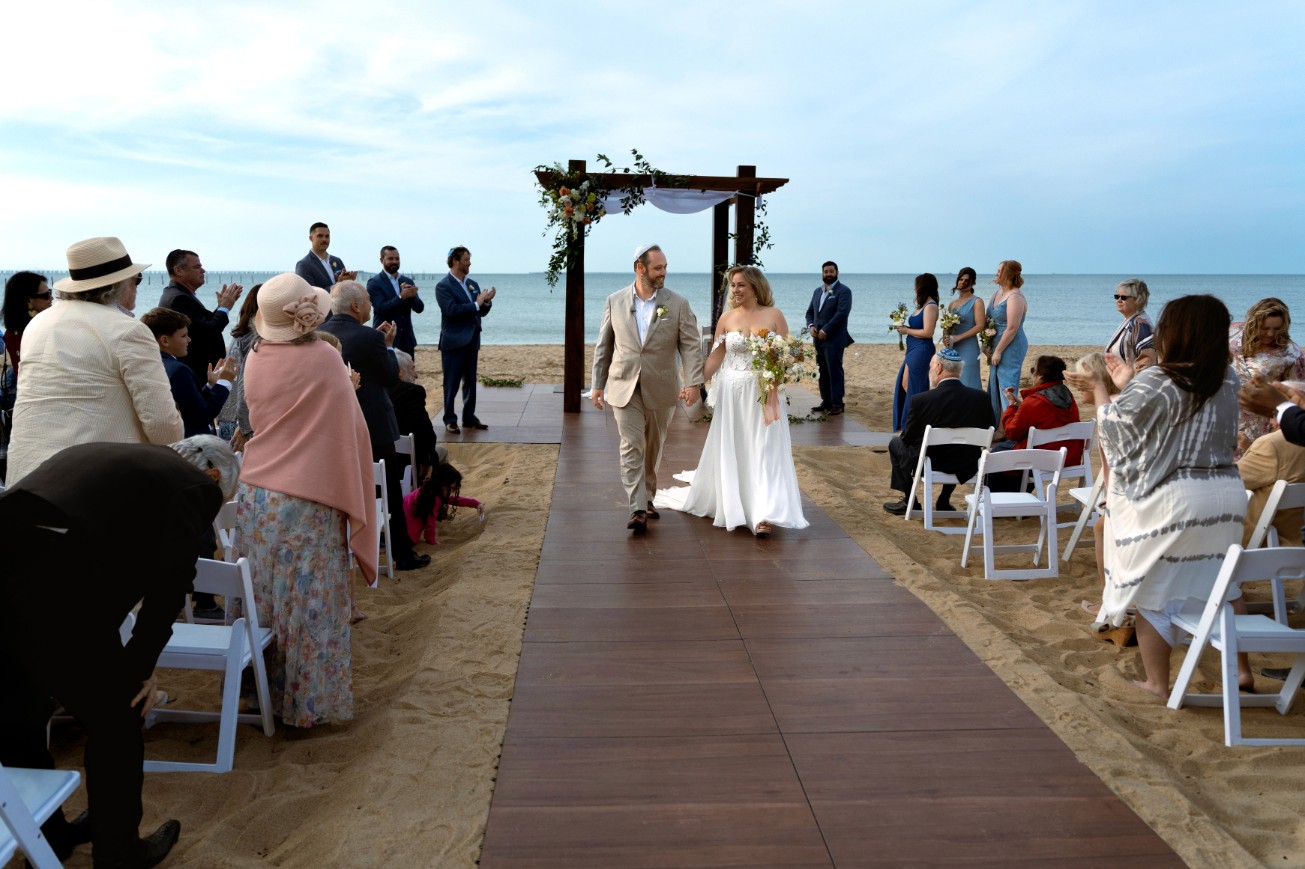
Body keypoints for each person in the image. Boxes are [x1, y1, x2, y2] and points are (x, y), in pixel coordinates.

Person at [0, 439, 233, 867]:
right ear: (214, 476)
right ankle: (119, 849)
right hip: (54, 587)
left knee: (19, 717)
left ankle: (48, 836)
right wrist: (139, 670)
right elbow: (169, 588)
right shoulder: (193, 488)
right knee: (117, 718)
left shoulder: (128, 458)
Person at [1078, 295, 1250, 699]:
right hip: (1227, 493)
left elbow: (1117, 429)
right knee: (1223, 583)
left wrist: (1101, 388)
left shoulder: (1161, 378)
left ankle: (1157, 682)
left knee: (1152, 588)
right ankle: (1241, 671)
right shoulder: (1229, 380)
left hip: (1175, 498)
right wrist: (1128, 384)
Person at [232, 273, 376, 727]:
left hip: (257, 493)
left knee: (263, 597)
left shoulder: (253, 357)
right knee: (309, 603)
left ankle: (259, 695)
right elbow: (350, 429)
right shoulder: (325, 358)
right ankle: (306, 706)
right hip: (309, 496)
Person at [4, 237, 183, 486]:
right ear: (121, 283)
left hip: (26, 481)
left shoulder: (39, 323)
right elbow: (164, 428)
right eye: (136, 279)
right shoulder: (128, 330)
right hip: (93, 490)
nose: (137, 285)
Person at [653, 266, 809, 536]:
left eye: (741, 285)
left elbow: (793, 352)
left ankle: (764, 513)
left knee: (765, 449)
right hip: (732, 395)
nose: (735, 291)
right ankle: (737, 504)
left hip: (763, 393)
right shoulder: (727, 319)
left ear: (755, 287)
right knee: (736, 446)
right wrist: (694, 382)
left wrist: (783, 362)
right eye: (733, 285)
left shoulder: (774, 316)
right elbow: (716, 357)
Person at [319, 280, 431, 571]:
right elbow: (389, 378)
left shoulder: (320, 335)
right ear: (356, 306)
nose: (372, 305)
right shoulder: (369, 338)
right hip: (373, 424)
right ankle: (401, 554)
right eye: (368, 300)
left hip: (334, 426)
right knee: (389, 490)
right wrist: (388, 347)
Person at [592, 244, 705, 533]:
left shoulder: (677, 303)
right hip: (623, 386)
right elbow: (604, 346)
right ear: (639, 268)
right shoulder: (614, 301)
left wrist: (693, 382)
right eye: (658, 268)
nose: (663, 273)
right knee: (632, 445)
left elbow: (691, 346)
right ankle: (637, 507)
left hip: (662, 387)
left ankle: (649, 496)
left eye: (665, 267)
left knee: (653, 447)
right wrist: (597, 385)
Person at [883, 348, 994, 515]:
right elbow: (988, 426)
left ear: (939, 368)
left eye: (930, 367)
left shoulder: (921, 400)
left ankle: (909, 500)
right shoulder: (982, 398)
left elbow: (908, 437)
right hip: (968, 462)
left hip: (932, 463)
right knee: (956, 447)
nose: (930, 371)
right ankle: (944, 499)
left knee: (896, 443)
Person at [141, 307, 236, 438]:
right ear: (165, 341)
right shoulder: (179, 370)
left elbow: (189, 404)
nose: (189, 340)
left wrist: (210, 386)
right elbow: (202, 415)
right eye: (183, 336)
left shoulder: (152, 364)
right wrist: (224, 383)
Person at [1229, 297, 1304, 457]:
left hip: (1261, 424)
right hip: (1226, 417)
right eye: (1264, 328)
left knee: (1254, 468)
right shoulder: (1231, 334)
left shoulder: (1290, 354)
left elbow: (1295, 396)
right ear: (1253, 323)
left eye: (1277, 329)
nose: (1270, 334)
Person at [159, 249, 242, 387]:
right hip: (195, 374)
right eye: (197, 267)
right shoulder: (179, 299)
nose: (203, 270)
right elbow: (208, 331)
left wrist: (221, 307)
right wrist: (224, 308)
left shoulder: (180, 295)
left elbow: (203, 325)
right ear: (178, 270)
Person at [436, 246, 495, 433]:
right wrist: (476, 304)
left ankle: (469, 417)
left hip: (472, 339)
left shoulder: (473, 284)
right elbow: (451, 311)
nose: (469, 263)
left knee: (470, 381)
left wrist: (485, 302)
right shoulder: (443, 286)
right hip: (453, 341)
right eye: (466, 259)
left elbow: (480, 312)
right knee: (451, 383)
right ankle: (449, 419)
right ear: (455, 260)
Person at [892, 273, 940, 431]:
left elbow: (928, 332)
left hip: (922, 350)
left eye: (917, 285)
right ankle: (908, 424)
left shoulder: (931, 306)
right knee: (905, 384)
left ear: (923, 286)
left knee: (915, 387)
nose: (914, 288)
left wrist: (907, 330)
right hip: (912, 349)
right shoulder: (921, 305)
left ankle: (914, 427)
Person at [391, 349, 448, 482]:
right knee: (442, 452)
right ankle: (435, 498)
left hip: (379, 462)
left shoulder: (375, 391)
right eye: (412, 369)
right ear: (400, 371)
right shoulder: (412, 392)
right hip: (407, 464)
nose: (416, 375)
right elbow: (425, 432)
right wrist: (427, 460)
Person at [804, 260, 853, 415]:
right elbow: (810, 312)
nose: (828, 274)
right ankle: (826, 401)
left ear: (837, 273)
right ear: (822, 273)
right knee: (822, 370)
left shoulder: (844, 291)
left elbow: (842, 313)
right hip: (818, 339)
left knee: (834, 371)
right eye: (826, 271)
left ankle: (838, 403)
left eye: (831, 271)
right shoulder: (817, 291)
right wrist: (811, 326)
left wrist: (826, 329)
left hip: (834, 339)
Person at [216, 283, 261, 447]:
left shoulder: (238, 335)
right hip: (241, 420)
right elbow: (246, 384)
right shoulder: (254, 340)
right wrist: (244, 427)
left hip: (227, 412)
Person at [986, 259, 1029, 422]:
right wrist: (986, 344)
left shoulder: (1015, 297)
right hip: (996, 343)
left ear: (1008, 274)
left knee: (1007, 385)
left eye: (999, 271)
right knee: (995, 384)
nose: (996, 273)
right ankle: (998, 424)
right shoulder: (996, 294)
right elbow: (988, 320)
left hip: (1011, 346)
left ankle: (1007, 426)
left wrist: (998, 351)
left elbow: (1012, 328)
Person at [404, 462, 483, 545]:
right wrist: (431, 540)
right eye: (451, 488)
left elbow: (455, 500)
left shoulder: (427, 489)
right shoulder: (434, 498)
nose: (452, 491)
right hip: (409, 537)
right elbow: (430, 523)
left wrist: (475, 503)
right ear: (443, 485)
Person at [366, 245, 425, 356]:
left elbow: (420, 308)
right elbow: (381, 308)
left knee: (408, 373)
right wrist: (401, 297)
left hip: (407, 340)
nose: (395, 261)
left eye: (397, 259)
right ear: (382, 260)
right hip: (386, 339)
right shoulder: (374, 283)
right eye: (390, 259)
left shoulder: (407, 280)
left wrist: (411, 296)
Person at [942, 267, 985, 390]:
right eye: (960, 279)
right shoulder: (952, 304)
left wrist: (958, 337)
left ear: (973, 283)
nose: (962, 282)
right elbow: (947, 326)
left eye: (967, 280)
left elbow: (980, 326)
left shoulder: (977, 301)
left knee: (968, 381)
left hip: (969, 347)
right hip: (953, 347)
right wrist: (946, 337)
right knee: (953, 382)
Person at [2, 270, 52, 374]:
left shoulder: (11, 332)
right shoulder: (37, 330)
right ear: (28, 301)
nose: (51, 298)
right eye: (46, 295)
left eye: (50, 292)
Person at [1105, 278, 1156, 373]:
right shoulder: (1131, 320)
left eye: (1124, 297)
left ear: (1138, 300)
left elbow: (1147, 364)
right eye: (1117, 296)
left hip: (1130, 384)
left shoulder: (1140, 325)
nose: (1119, 300)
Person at [294, 221, 355, 290]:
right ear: (311, 238)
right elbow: (310, 294)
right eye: (320, 236)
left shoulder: (337, 261)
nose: (324, 239)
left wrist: (349, 281)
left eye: (327, 236)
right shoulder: (303, 265)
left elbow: (346, 289)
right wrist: (339, 284)